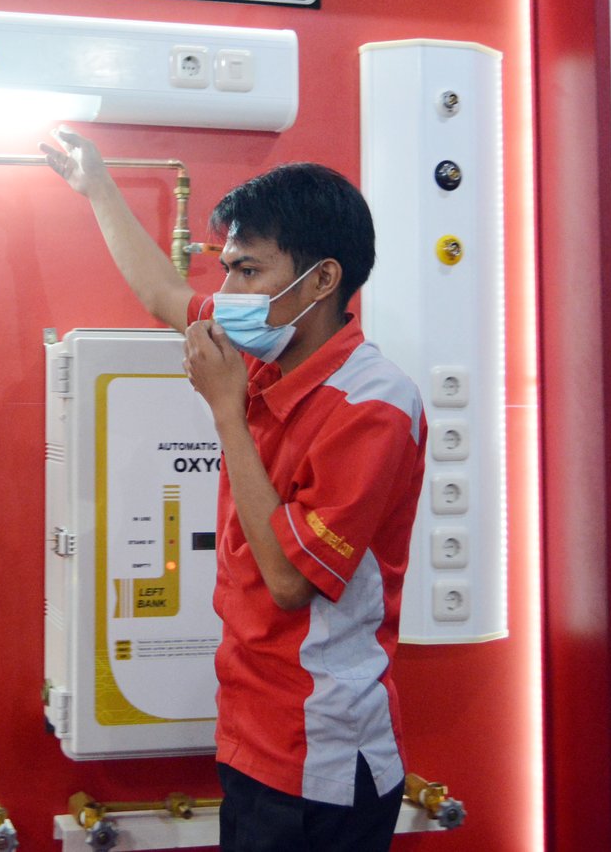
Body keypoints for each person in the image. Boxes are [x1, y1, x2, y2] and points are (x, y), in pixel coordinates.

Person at [42, 128, 426, 852]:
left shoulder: (374, 405)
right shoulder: (269, 351)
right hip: (252, 733)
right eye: (225, 269)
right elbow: (161, 292)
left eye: (247, 271)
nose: (226, 295)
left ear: (321, 280)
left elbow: (289, 581)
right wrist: (97, 185)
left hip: (320, 756)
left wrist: (225, 410)